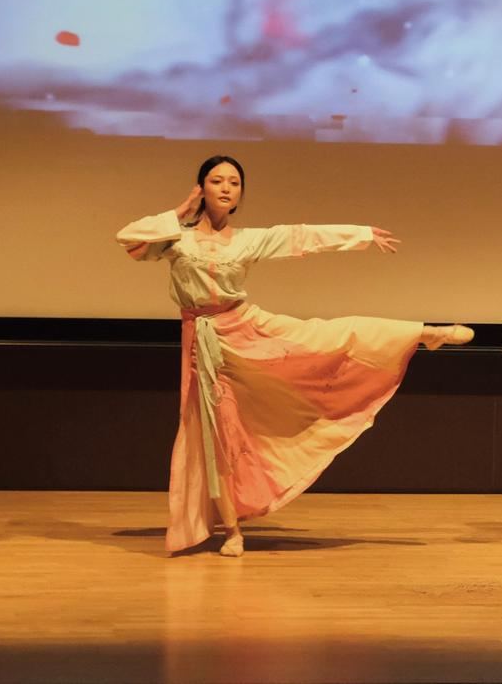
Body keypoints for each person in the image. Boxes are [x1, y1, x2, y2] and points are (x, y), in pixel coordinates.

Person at [117, 154, 473, 556]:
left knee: (324, 338)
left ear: (239, 195)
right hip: (203, 342)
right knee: (215, 433)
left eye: (234, 183)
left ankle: (421, 334)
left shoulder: (247, 240)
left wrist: (360, 234)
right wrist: (181, 210)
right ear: (202, 188)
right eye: (217, 181)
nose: (225, 188)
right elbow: (129, 238)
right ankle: (232, 529)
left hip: (245, 328)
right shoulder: (175, 238)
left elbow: (301, 237)